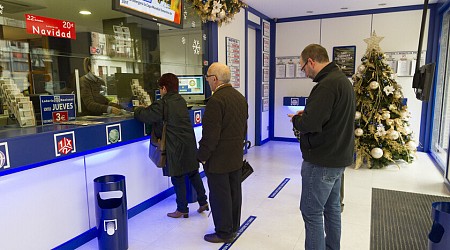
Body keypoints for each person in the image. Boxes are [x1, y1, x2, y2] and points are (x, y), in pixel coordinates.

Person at [289, 44, 355, 250]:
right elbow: (329, 117)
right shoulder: (343, 81)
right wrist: (308, 115)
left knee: (312, 211)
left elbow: (311, 124)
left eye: (303, 68)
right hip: (338, 157)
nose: (305, 73)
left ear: (311, 61)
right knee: (332, 208)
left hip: (321, 160)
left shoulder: (326, 85)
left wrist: (297, 120)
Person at [134, 73, 208, 218]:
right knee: (193, 173)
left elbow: (146, 116)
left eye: (160, 88)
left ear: (164, 88)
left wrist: (138, 109)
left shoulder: (163, 103)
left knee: (177, 176)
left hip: (175, 145)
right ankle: (203, 201)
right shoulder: (181, 100)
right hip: (189, 142)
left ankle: (182, 209)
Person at [197, 62, 248, 243]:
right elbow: (243, 129)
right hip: (235, 157)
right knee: (234, 193)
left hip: (218, 160)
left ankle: (223, 232)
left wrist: (201, 157)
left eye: (208, 77)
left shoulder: (215, 102)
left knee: (220, 196)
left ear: (215, 79)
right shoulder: (240, 98)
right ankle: (233, 227)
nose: (207, 81)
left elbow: (210, 136)